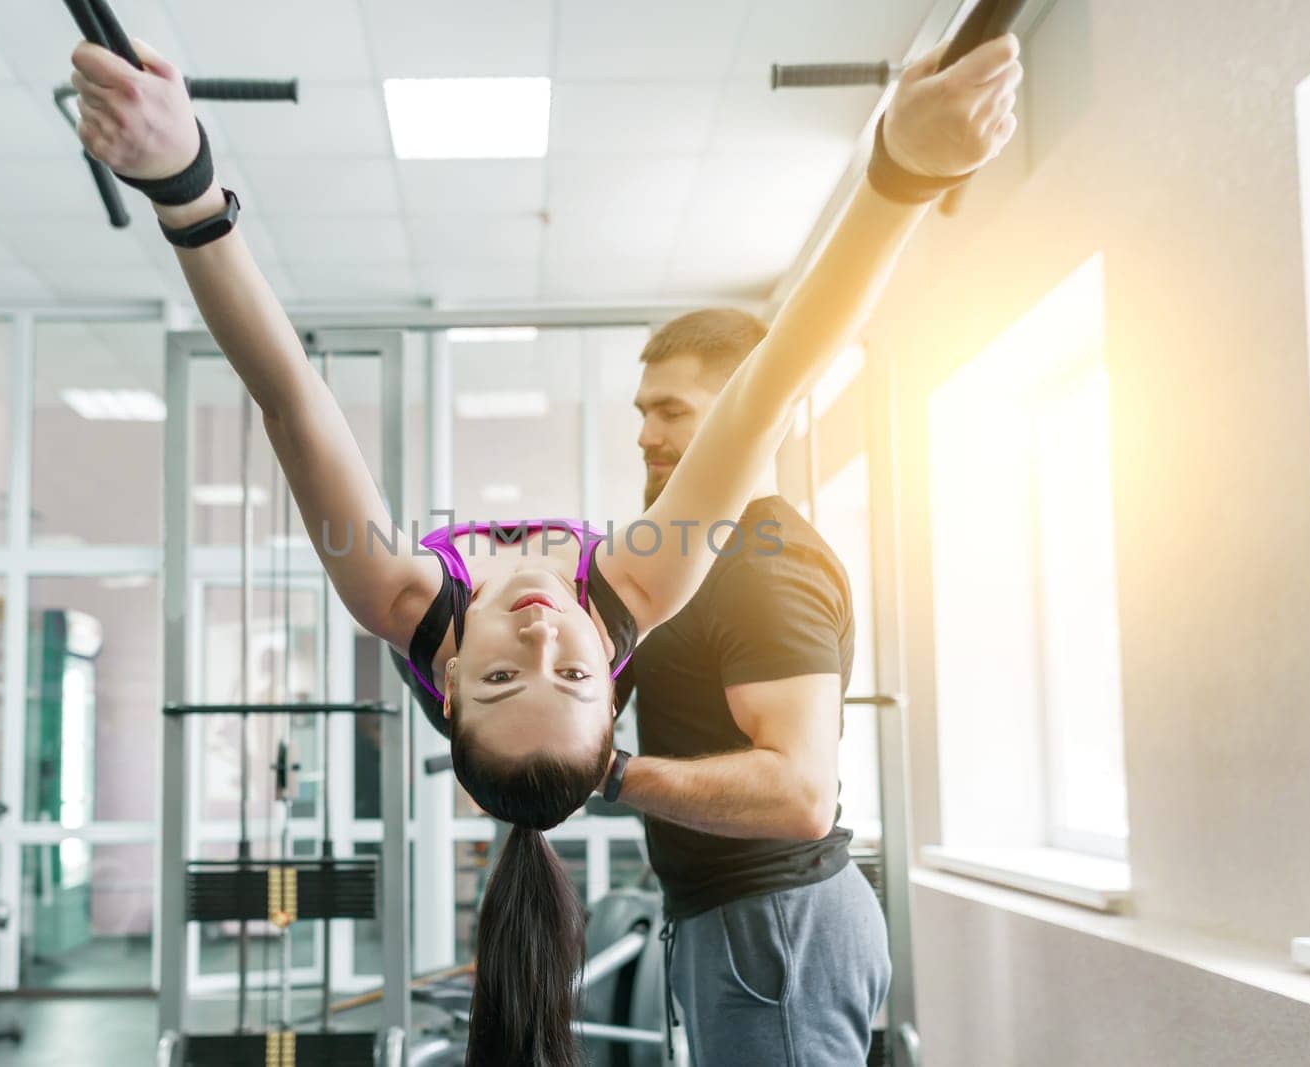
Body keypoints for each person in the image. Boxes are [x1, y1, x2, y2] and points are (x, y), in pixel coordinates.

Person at [69, 31, 1020, 1067]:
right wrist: (900, 173)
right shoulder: (639, 584)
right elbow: (762, 396)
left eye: (496, 671)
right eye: (569, 671)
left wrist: (183, 184)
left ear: (446, 669)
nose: (538, 632)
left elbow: (292, 398)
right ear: (610, 684)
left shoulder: (400, 595)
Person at [616, 306, 882, 1065]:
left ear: (749, 413)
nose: (645, 435)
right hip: (738, 918)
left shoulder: (764, 568)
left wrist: (611, 773)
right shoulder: (696, 554)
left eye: (672, 411)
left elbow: (799, 793)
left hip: (775, 928)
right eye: (643, 411)